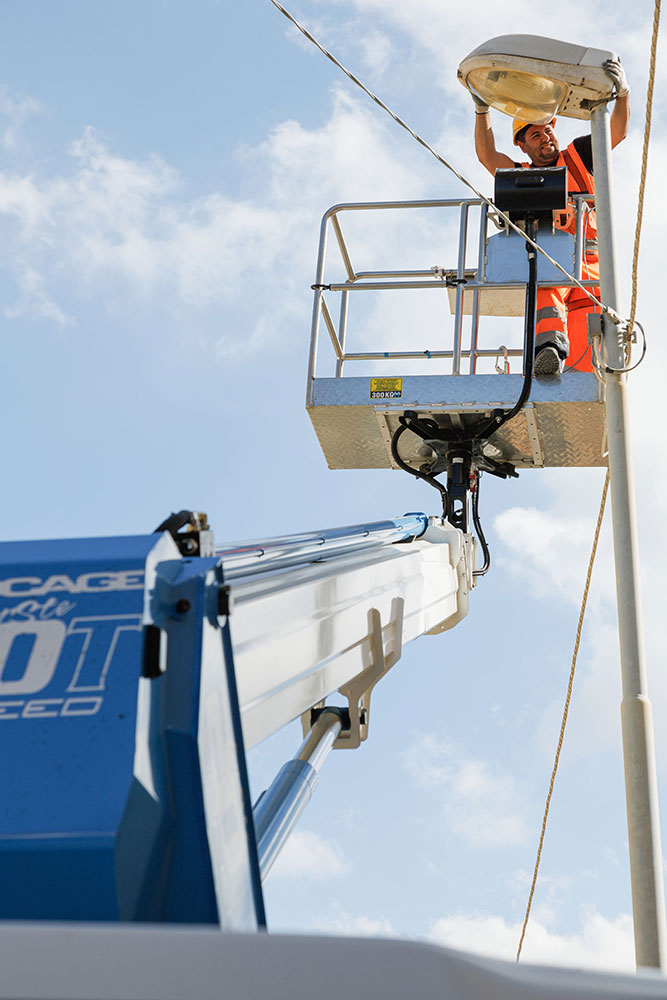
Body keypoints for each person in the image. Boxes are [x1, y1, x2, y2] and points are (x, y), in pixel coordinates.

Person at [471, 58, 630, 375]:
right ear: (522, 145)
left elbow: (616, 133)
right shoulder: (521, 176)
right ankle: (549, 353)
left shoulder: (578, 156)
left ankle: (594, 378)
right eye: (536, 136)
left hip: (591, 269)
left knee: (591, 354)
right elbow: (487, 156)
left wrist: (623, 94)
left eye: (548, 130)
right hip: (555, 265)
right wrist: (482, 110)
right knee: (547, 293)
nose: (546, 137)